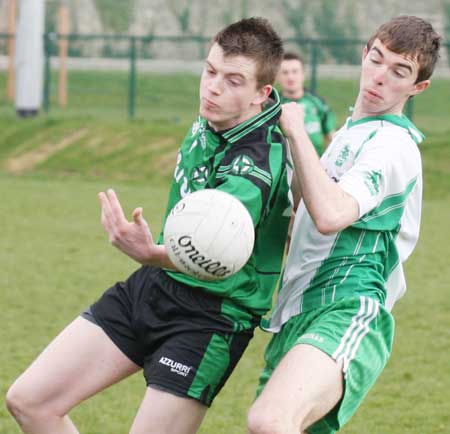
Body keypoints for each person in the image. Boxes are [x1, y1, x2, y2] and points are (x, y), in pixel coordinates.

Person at [6, 18, 291, 434]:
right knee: (30, 401)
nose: (212, 87)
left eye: (233, 81)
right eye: (210, 71)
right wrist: (153, 260)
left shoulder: (255, 164)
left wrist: (150, 251)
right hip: (155, 286)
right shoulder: (213, 118)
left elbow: (215, 253)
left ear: (260, 95)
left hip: (212, 316)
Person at [248, 15, 441, 434]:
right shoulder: (354, 133)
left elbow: (331, 215)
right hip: (299, 309)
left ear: (417, 87)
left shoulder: (392, 145)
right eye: (377, 59)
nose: (380, 77)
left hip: (348, 306)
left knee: (269, 420)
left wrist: (297, 132)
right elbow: (307, 206)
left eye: (399, 71)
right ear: (364, 54)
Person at [278, 51, 336, 157]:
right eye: (285, 72)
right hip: (286, 169)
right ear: (278, 76)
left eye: (295, 71)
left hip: (317, 165)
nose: (290, 77)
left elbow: (331, 136)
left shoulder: (318, 102)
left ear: (303, 75)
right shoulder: (273, 106)